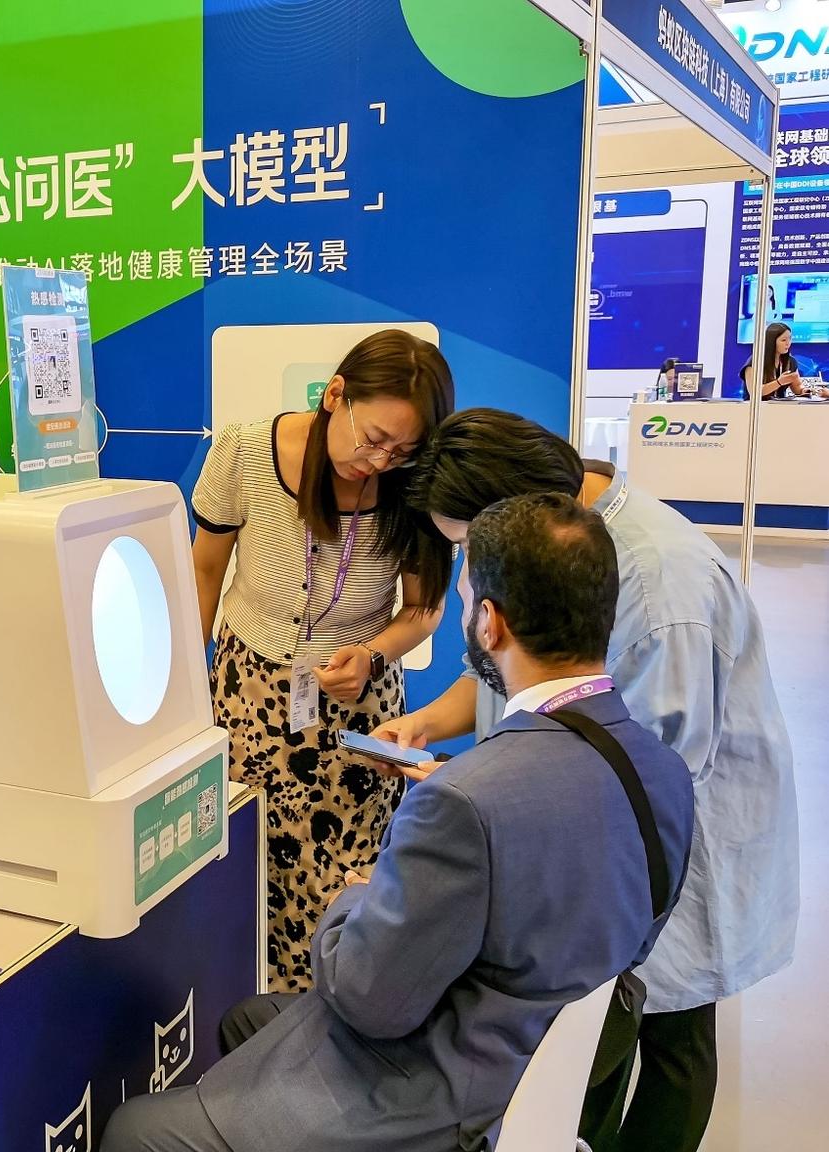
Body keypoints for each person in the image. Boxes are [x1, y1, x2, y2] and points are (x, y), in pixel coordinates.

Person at [101, 493, 694, 1152]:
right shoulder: (664, 773)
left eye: (467, 601)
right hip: (536, 1067)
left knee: (135, 1131)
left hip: (438, 1097)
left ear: (490, 624)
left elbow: (368, 999)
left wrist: (357, 897)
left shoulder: (466, 803)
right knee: (250, 1022)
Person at [376, 409, 799, 1152]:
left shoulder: (660, 588)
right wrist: (428, 726)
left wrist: (496, 802)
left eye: (470, 545)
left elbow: (652, 770)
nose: (469, 571)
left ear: (516, 515)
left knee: (666, 1037)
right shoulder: (555, 540)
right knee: (588, 1043)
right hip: (591, 829)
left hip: (665, 838)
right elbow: (509, 675)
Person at [190, 328, 453, 991]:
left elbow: (424, 609)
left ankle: (333, 1016)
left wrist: (372, 654)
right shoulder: (244, 451)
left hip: (358, 711)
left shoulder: (413, 486)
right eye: (373, 438)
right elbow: (204, 573)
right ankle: (251, 1019)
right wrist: (186, 692)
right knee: (246, 867)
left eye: (401, 451)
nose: (380, 461)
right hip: (247, 698)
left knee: (344, 878)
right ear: (335, 395)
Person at [740, 321, 808, 399]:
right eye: (783, 340)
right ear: (772, 342)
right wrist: (779, 382)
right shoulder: (755, 362)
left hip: (779, 405)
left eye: (790, 338)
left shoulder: (791, 362)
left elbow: (797, 388)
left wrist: (804, 390)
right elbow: (754, 392)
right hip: (755, 406)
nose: (788, 343)